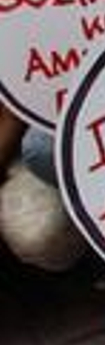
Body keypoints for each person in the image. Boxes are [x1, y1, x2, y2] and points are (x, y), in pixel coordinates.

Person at [0, 112, 85, 272]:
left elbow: (12, 113)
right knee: (33, 237)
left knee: (40, 148)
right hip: (19, 162)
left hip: (32, 131)